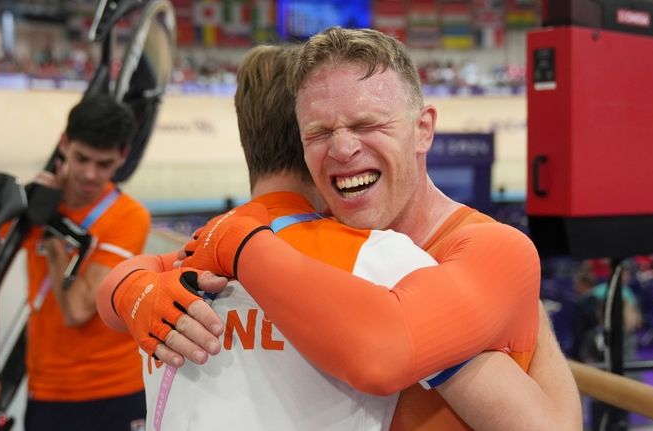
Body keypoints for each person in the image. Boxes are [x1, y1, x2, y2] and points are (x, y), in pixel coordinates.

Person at [98, 42, 580, 430]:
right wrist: (131, 289)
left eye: (368, 124)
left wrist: (238, 245)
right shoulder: (321, 235)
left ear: (423, 129)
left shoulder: (487, 248)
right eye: (319, 132)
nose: (344, 148)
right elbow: (143, 275)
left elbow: (387, 351)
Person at [0, 94, 151, 431]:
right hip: (47, 392)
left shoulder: (128, 217)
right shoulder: (30, 206)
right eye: (82, 158)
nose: (90, 174)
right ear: (64, 144)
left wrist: (52, 228)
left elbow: (76, 310)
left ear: (122, 157)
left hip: (117, 389)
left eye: (103, 164)